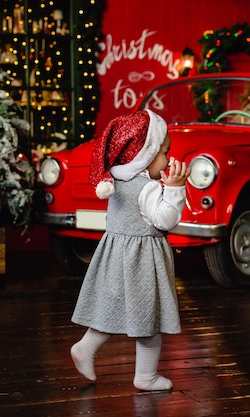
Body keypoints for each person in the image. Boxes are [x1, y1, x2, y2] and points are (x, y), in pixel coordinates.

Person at [70, 109, 190, 391]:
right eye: (164, 152)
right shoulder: (147, 188)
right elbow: (165, 221)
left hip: (116, 257)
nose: (169, 159)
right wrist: (175, 189)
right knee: (150, 316)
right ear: (144, 154)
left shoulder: (116, 181)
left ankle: (85, 348)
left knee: (111, 309)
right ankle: (146, 376)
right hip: (143, 263)